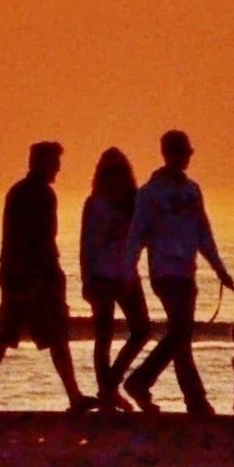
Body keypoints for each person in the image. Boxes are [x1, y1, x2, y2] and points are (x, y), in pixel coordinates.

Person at [0, 140, 95, 414]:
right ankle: (73, 396)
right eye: (53, 162)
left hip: (19, 274)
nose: (58, 168)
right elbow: (40, 239)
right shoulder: (39, 195)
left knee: (9, 334)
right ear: (40, 163)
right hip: (33, 276)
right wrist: (46, 276)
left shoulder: (20, 192)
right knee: (49, 335)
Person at [122, 129, 234, 416]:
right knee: (181, 332)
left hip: (186, 273)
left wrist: (219, 268)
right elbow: (136, 233)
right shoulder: (149, 193)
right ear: (167, 154)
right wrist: (128, 270)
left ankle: (160, 388)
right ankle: (184, 395)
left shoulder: (192, 190)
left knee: (180, 336)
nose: (186, 158)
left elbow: (203, 232)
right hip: (163, 271)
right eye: (182, 152)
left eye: (188, 152)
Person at [79, 146, 152, 410]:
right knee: (104, 337)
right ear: (102, 175)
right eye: (110, 173)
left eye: (120, 172)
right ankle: (107, 391)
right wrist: (86, 280)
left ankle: (110, 383)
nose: (115, 178)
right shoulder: (95, 203)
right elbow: (86, 244)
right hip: (102, 277)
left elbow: (143, 237)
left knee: (142, 330)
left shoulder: (134, 202)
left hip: (127, 275)